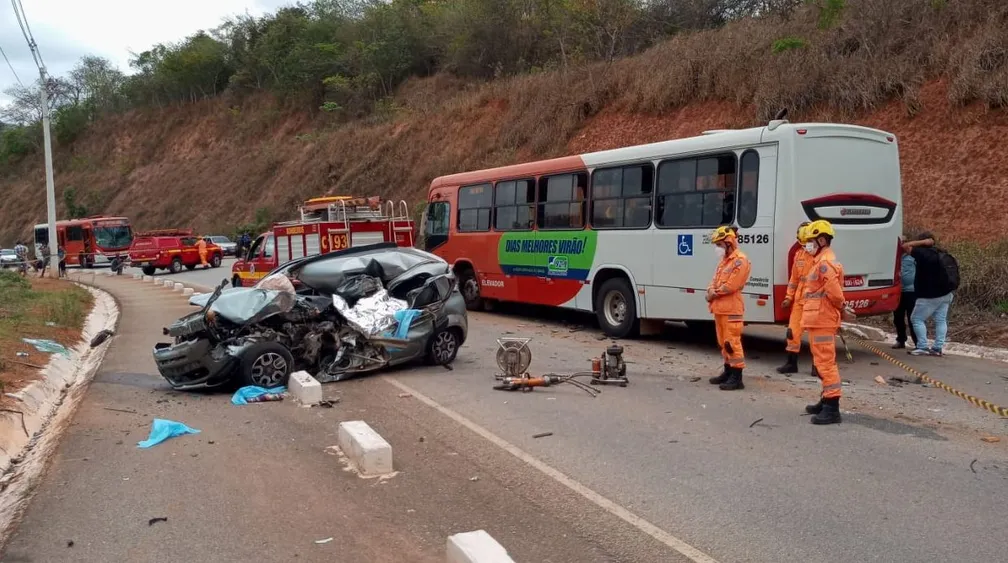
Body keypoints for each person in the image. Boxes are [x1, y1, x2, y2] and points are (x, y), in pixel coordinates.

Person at [801, 219, 855, 425]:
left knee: (825, 363)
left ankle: (832, 408)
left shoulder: (824, 264)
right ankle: (826, 400)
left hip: (823, 318)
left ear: (821, 240)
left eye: (811, 241)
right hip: (819, 318)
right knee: (822, 362)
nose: (808, 245)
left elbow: (833, 291)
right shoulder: (821, 261)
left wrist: (842, 308)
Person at [706, 225, 752, 391]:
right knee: (723, 343)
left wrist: (713, 293)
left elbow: (731, 285)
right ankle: (728, 371)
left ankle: (737, 377)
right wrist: (710, 290)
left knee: (732, 343)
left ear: (729, 242)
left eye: (719, 244)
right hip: (720, 309)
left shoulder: (740, 260)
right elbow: (715, 280)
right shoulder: (724, 261)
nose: (717, 248)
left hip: (732, 309)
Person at [902, 232, 955, 357]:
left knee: (916, 319)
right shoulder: (940, 252)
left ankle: (922, 346)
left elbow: (905, 246)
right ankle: (937, 348)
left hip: (929, 295)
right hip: (946, 293)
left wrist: (923, 242)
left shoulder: (921, 253)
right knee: (941, 320)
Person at [777, 222, 812, 374]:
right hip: (799, 301)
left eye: (809, 243)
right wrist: (788, 297)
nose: (806, 246)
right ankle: (791, 363)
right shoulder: (799, 255)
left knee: (816, 336)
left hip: (815, 302)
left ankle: (817, 366)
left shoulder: (822, 258)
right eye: (803, 244)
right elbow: (794, 280)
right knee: (792, 332)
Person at [892, 240, 918, 349]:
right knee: (898, 317)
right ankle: (901, 339)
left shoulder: (914, 257)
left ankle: (918, 343)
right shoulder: (896, 258)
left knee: (913, 318)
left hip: (912, 292)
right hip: (898, 292)